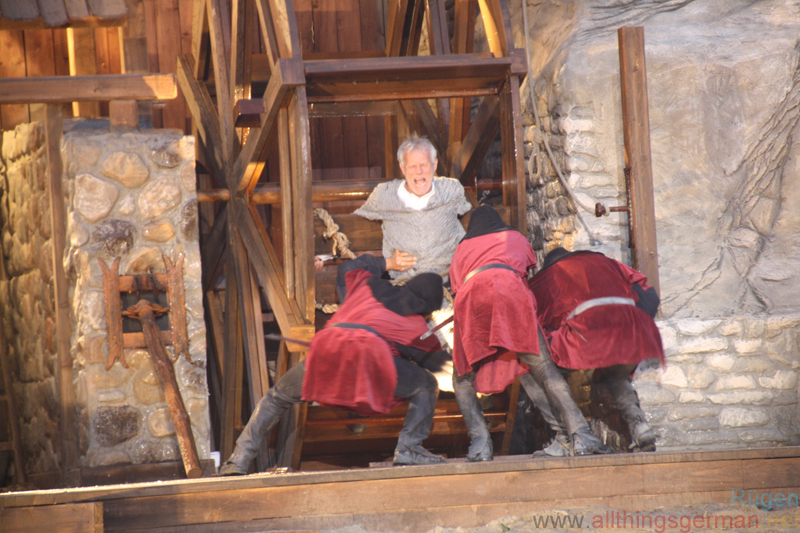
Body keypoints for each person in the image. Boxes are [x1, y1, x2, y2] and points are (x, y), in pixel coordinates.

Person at [219, 269, 447, 475]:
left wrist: (383, 262)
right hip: (365, 358)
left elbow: (350, 268)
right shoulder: (413, 324)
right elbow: (435, 364)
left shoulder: (369, 286)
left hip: (326, 350)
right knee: (426, 384)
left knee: (276, 398)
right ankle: (409, 448)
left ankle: (237, 460)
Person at [448, 206, 611, 461]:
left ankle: (480, 444)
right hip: (512, 296)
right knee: (544, 369)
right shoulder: (515, 238)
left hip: (473, 303)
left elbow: (457, 287)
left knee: (463, 379)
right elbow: (524, 270)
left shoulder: (461, 249)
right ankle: (582, 435)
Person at [527, 247, 664, 455]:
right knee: (614, 375)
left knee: (535, 369)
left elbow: (536, 322)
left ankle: (567, 436)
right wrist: (637, 322)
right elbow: (649, 295)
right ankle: (639, 426)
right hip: (629, 328)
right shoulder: (609, 263)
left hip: (588, 334)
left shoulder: (548, 276)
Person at [336, 134, 472, 301]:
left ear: (435, 165)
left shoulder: (451, 190)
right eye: (412, 166)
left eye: (424, 165)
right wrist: (323, 256)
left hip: (447, 288)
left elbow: (471, 215)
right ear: (402, 168)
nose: (419, 172)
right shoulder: (385, 195)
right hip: (405, 290)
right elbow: (346, 228)